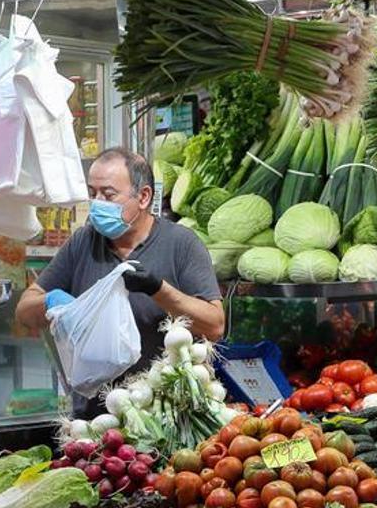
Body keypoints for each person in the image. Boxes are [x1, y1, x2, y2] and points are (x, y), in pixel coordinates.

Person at [17, 147, 225, 417]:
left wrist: (158, 290)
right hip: (95, 420)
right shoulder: (84, 242)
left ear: (143, 196)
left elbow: (215, 325)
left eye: (108, 195)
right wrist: (53, 302)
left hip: (166, 416)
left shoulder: (181, 245)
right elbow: (24, 312)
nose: (97, 203)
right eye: (93, 194)